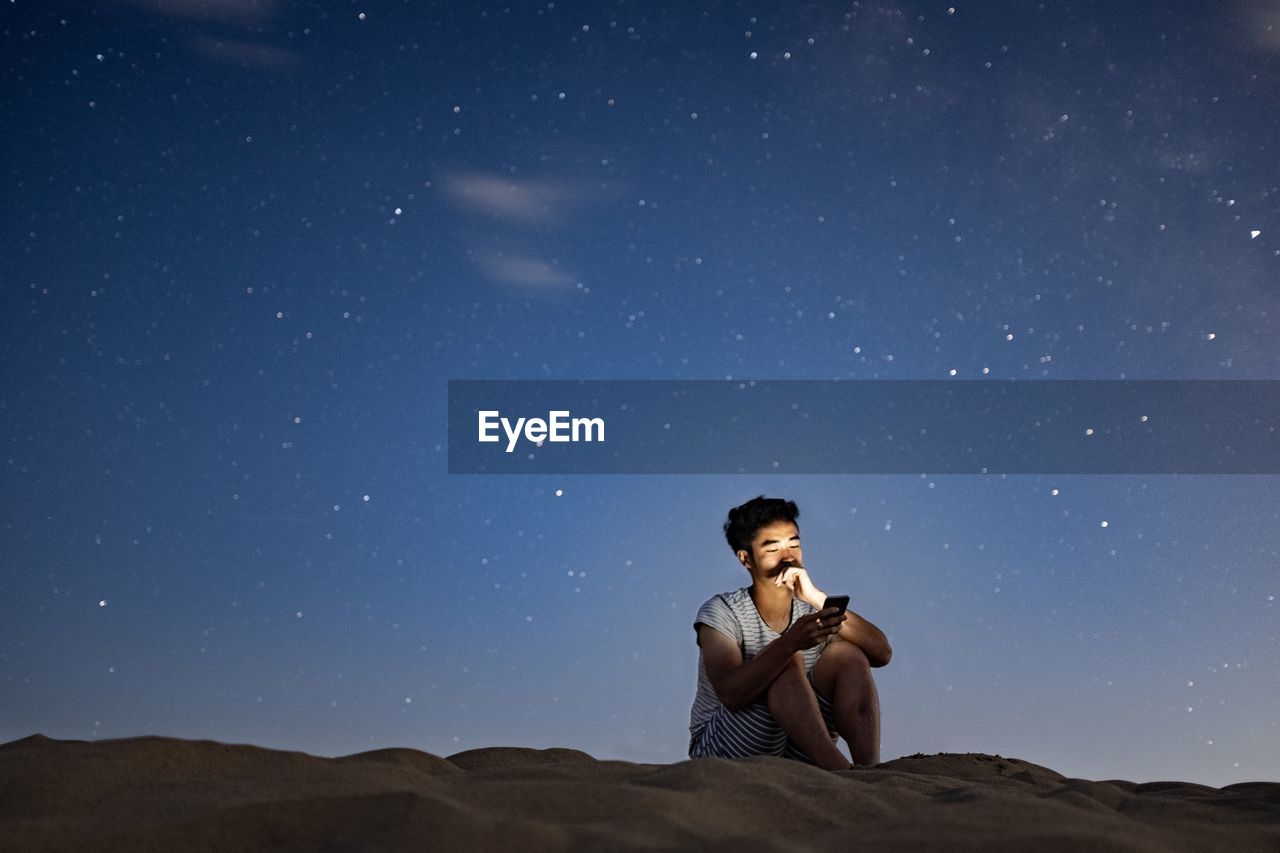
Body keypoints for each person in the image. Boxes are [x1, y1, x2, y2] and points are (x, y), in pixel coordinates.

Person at [689, 495, 892, 770]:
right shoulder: (722, 611)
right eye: (773, 548)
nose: (788, 557)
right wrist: (791, 642)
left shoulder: (809, 609)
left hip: (798, 744)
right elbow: (730, 693)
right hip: (724, 749)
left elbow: (882, 653)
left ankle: (871, 773)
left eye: (794, 544)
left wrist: (817, 597)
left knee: (848, 655)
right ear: (746, 558)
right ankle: (843, 774)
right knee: (786, 661)